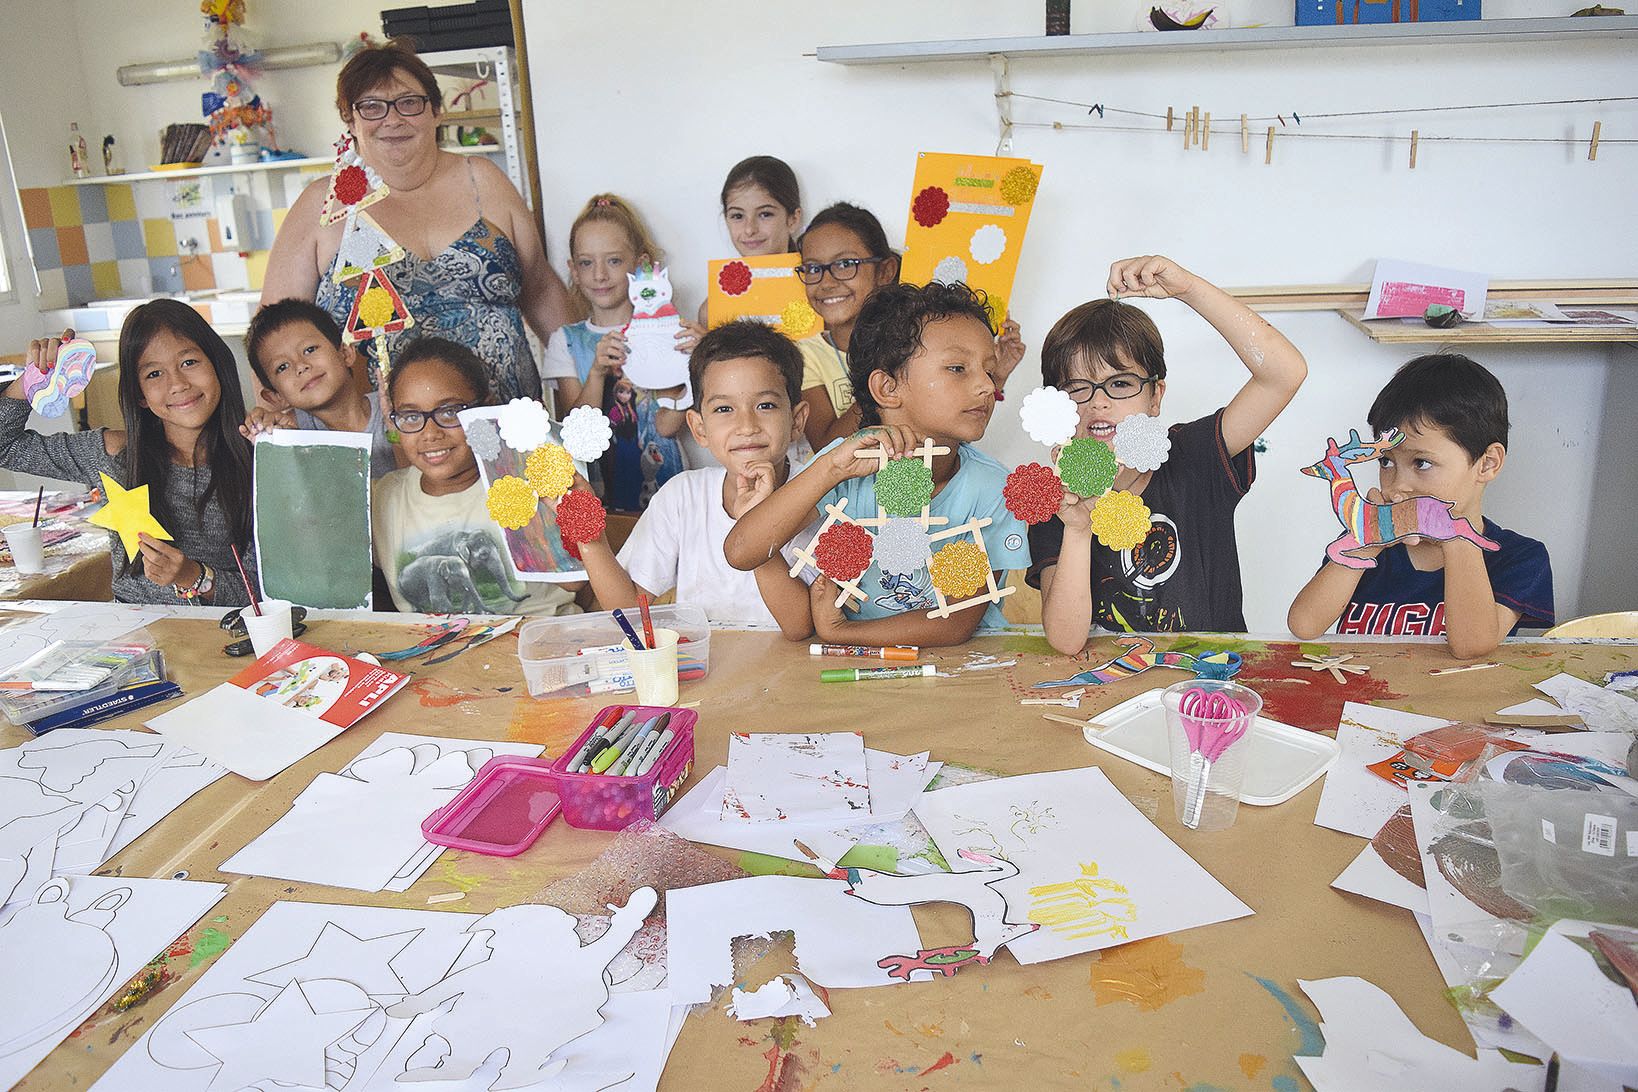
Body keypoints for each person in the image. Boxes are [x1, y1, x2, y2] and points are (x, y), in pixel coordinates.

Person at [259, 38, 570, 403]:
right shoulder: (323, 204)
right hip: (380, 438)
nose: (392, 119)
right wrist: (278, 422)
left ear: (436, 111)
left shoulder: (483, 181)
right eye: (372, 107)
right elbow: (272, 337)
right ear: (350, 119)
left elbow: (542, 291)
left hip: (505, 425)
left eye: (409, 103)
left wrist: (581, 401)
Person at [725, 281, 1026, 648]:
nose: (984, 386)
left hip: (965, 671)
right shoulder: (843, 466)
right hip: (855, 672)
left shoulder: (993, 488)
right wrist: (829, 469)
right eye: (958, 368)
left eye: (989, 372)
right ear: (887, 388)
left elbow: (956, 622)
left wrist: (843, 633)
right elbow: (742, 551)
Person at [1028, 256, 1308, 650]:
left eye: (1121, 384)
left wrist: (1188, 289)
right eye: (1076, 388)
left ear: (1155, 396)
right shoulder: (1056, 499)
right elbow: (1066, 641)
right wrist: (1077, 530)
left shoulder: (1194, 456)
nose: (1098, 403)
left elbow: (1285, 373)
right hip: (1111, 690)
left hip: (1209, 687)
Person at [1288, 354, 1552, 656]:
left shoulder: (1519, 558)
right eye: (1387, 462)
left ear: (1487, 464)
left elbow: (1471, 645)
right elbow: (1304, 625)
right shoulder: (1369, 547)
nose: (1398, 484)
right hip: (1363, 697)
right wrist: (1366, 542)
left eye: (1422, 463)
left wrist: (1455, 536)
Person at [0, 301, 256, 604]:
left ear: (217, 365)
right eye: (154, 374)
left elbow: (268, 591)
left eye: (189, 362)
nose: (177, 384)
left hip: (224, 635)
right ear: (140, 396)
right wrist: (31, 380)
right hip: (132, 637)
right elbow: (6, 446)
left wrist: (194, 576)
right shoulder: (113, 453)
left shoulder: (257, 459)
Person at [574, 321, 814, 638]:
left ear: (797, 420)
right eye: (724, 408)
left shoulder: (821, 498)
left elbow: (802, 628)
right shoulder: (683, 496)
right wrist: (588, 535)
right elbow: (631, 612)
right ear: (699, 428)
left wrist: (755, 528)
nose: (746, 425)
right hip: (704, 676)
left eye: (765, 405)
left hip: (789, 677)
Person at [792, 203, 1025, 453]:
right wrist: (884, 374)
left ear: (886, 270)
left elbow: (949, 422)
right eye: (814, 268)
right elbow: (828, 448)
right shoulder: (804, 356)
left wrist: (996, 376)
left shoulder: (924, 340)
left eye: (845, 264)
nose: (827, 282)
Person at [371, 337, 578, 617]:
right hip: (436, 655)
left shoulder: (528, 478)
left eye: (450, 412)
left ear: (486, 409)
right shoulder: (383, 497)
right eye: (410, 416)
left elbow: (576, 580)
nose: (430, 433)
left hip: (545, 644)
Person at [542, 195, 689, 511]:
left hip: (668, 492)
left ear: (640, 265)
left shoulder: (665, 331)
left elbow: (667, 425)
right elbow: (575, 438)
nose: (599, 275)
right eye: (586, 263)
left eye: (613, 261)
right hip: (600, 498)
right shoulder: (566, 341)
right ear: (573, 270)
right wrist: (596, 372)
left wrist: (696, 363)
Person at [240, 299, 402, 478]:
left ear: (345, 353)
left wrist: (397, 430)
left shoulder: (395, 408)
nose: (300, 366)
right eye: (282, 367)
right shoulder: (291, 432)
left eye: (309, 350)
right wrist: (280, 445)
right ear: (276, 397)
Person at [697, 154, 804, 325]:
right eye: (737, 216)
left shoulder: (818, 293)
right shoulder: (712, 310)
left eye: (765, 214)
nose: (749, 229)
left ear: (793, 219)